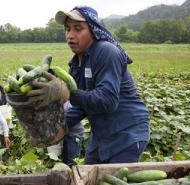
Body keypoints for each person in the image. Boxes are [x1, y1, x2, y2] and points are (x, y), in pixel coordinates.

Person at [27, 6, 150, 165]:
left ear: (92, 30)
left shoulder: (107, 52)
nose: (70, 35)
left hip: (127, 133)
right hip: (101, 135)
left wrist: (68, 93)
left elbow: (107, 101)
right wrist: (54, 128)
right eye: (67, 29)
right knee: (87, 180)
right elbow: (81, 106)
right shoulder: (76, 64)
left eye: (78, 29)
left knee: (113, 184)